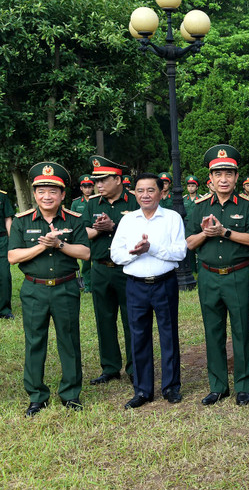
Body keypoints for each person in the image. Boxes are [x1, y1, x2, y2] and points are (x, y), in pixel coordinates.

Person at [8, 162, 90, 416]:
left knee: (69, 340)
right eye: (41, 191)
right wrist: (43, 247)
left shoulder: (74, 220)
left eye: (53, 191)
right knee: (34, 342)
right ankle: (36, 396)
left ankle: (70, 394)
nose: (47, 196)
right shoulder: (22, 222)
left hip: (65, 288)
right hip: (34, 291)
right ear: (34, 194)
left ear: (63, 195)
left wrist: (59, 244)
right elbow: (13, 256)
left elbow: (85, 253)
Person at [186, 145, 249, 406]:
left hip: (238, 275)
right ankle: (218, 386)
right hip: (208, 277)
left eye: (229, 173)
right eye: (218, 174)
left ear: (237, 177)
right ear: (211, 179)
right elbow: (189, 243)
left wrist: (225, 232)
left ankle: (243, 385)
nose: (224, 179)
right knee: (213, 331)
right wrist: (207, 234)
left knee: (242, 330)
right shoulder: (200, 206)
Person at [111, 173, 187, 409]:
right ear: (134, 193)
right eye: (140, 190)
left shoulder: (172, 218)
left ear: (162, 192)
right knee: (139, 336)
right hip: (135, 285)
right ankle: (143, 390)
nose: (145, 195)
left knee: (169, 335)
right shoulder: (128, 220)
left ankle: (171, 387)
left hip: (164, 283)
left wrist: (151, 248)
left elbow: (180, 252)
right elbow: (115, 254)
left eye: (150, 190)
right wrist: (134, 253)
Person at [85, 156, 137, 385]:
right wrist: (98, 230)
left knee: (132, 319)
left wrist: (114, 227)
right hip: (100, 269)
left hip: (127, 269)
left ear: (118, 179)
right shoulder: (92, 203)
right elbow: (82, 234)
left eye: (103, 180)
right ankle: (110, 367)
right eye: (96, 181)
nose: (98, 185)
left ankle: (136, 367)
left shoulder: (135, 201)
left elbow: (143, 234)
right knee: (104, 319)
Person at [69, 175, 94, 293]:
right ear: (81, 188)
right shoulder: (76, 203)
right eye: (85, 187)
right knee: (86, 263)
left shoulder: (98, 200)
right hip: (82, 236)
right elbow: (72, 220)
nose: (87, 189)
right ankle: (88, 286)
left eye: (89, 186)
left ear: (93, 187)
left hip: (97, 234)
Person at [1, 185, 16, 318]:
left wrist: (12, 242)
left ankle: (4, 310)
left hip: (1, 241)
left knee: (4, 276)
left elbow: (8, 219)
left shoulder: (2, 196)